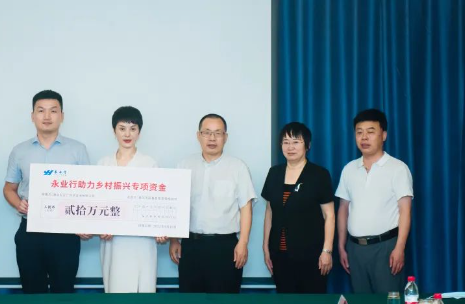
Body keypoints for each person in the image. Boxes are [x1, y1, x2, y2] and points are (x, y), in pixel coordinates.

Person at [3, 90, 90, 293]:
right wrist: (18, 203)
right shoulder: (19, 151)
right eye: (41, 111)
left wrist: (84, 223)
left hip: (66, 233)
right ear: (32, 116)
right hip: (30, 231)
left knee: (64, 292)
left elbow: (87, 191)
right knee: (32, 293)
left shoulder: (77, 149)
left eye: (53, 110)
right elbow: (9, 188)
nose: (47, 116)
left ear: (62, 116)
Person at [169, 113, 256, 293]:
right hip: (191, 246)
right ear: (198, 135)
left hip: (225, 248)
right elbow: (174, 205)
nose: (212, 138)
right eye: (207, 132)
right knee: (190, 303)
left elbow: (246, 208)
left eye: (218, 133)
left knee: (224, 303)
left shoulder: (238, 167)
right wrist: (174, 240)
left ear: (226, 137)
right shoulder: (184, 165)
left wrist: (243, 243)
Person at [336, 109, 413, 293]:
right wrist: (341, 245)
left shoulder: (398, 168)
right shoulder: (349, 169)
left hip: (386, 247)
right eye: (359, 132)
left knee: (388, 303)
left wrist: (399, 248)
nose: (364, 137)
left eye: (370, 132)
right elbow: (343, 209)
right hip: (355, 248)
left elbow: (405, 211)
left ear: (383, 135)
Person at [98, 106, 166, 293]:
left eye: (133, 129)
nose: (127, 134)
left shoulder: (150, 164)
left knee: (143, 292)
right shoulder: (103, 164)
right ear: (114, 131)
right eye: (122, 128)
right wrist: (99, 226)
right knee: (115, 291)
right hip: (112, 240)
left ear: (139, 132)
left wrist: (162, 229)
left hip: (142, 242)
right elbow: (97, 203)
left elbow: (159, 204)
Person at [261, 122, 335, 293]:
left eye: (296, 142)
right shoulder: (274, 173)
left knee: (312, 302)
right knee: (286, 302)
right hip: (279, 254)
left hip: (312, 254)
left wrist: (327, 251)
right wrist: (265, 247)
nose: (290, 147)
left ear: (307, 145)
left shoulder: (319, 174)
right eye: (286, 142)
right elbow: (269, 212)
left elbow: (329, 215)